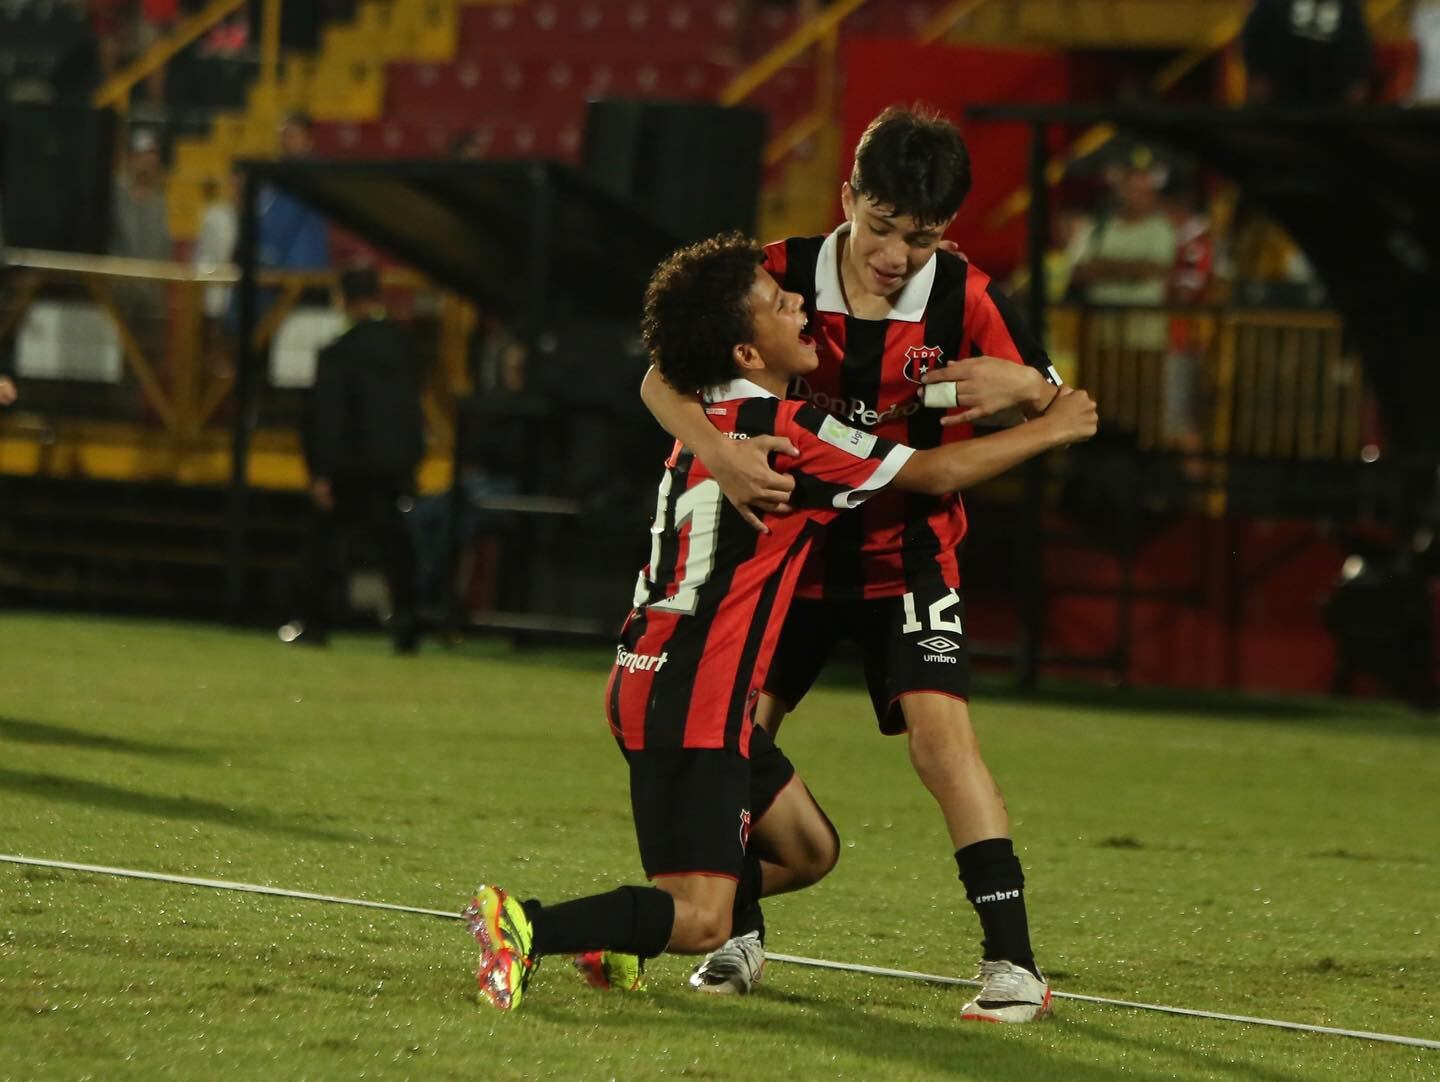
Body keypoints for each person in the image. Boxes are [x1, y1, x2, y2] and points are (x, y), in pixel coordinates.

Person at [466, 232, 1098, 1014]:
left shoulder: (714, 409)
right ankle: (523, 924)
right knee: (701, 918)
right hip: (693, 696)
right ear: (745, 348)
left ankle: (625, 927)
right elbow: (931, 473)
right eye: (777, 305)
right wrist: (1055, 426)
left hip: (668, 680)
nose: (799, 305)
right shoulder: (788, 427)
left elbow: (663, 387)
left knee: (808, 850)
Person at [640, 107, 1068, 1020]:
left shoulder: (967, 296)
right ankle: (738, 934)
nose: (897, 255)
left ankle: (1014, 965)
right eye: (881, 228)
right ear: (848, 201)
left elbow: (1046, 397)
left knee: (941, 741)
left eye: (921, 238)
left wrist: (1032, 388)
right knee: (737, 737)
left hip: (909, 551)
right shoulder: (777, 278)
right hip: (788, 557)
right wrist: (718, 455)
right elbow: (660, 378)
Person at [280, 267, 424, 653]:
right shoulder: (403, 348)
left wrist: (321, 472)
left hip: (348, 469)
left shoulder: (338, 353)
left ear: (343, 298)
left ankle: (314, 623)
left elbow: (328, 417)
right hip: (393, 467)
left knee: (324, 546)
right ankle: (407, 623)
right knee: (395, 548)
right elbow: (411, 412)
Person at [1242, 0, 1373, 105]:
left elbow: (1358, 42)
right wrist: (1256, 72)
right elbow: (1254, 34)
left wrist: (1357, 80)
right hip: (1279, 99)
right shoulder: (1273, 4)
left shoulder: (1346, 6)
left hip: (1334, 103)